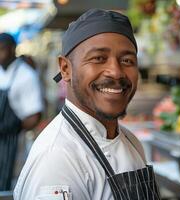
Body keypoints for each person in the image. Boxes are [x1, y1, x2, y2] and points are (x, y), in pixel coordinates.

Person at [14, 9, 161, 200]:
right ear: (66, 69)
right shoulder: (57, 160)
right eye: (98, 58)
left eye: (127, 60)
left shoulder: (131, 142)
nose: (116, 72)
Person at [0, 33, 43, 190]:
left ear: (12, 49)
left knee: (11, 186)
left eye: (2, 50)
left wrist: (11, 127)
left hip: (14, 145)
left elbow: (35, 115)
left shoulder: (26, 75)